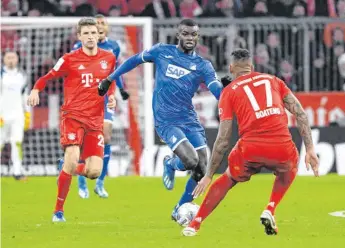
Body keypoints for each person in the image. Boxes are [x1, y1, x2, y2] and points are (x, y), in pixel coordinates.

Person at [182, 48, 319, 236]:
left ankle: (194, 224)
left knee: (229, 178)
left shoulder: (228, 92)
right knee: (290, 167)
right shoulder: (273, 81)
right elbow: (300, 113)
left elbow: (222, 139)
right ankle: (270, 208)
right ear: (252, 67)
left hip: (250, 150)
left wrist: (209, 175)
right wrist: (310, 148)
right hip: (281, 147)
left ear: (231, 68)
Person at [98, 19, 223, 223]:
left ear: (197, 36)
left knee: (202, 167)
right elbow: (134, 60)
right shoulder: (161, 51)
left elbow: (215, 88)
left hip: (189, 120)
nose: (190, 38)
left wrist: (228, 94)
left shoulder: (203, 65)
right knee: (190, 161)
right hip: (166, 119)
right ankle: (171, 164)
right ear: (178, 34)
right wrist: (109, 79)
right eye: (186, 34)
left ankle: (179, 208)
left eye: (193, 34)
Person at [27, 18, 117, 222]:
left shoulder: (109, 58)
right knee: (73, 156)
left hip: (95, 121)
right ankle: (58, 211)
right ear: (79, 37)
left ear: (98, 34)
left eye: (93, 33)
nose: (91, 37)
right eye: (86, 33)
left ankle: (66, 165)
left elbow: (109, 81)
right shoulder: (69, 59)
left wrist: (111, 96)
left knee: (94, 172)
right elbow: (46, 77)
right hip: (73, 117)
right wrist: (35, 90)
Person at [68, 14, 129, 199]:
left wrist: (121, 89)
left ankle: (100, 182)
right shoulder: (79, 47)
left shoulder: (114, 47)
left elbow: (114, 71)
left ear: (106, 28)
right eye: (97, 23)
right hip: (85, 98)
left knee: (107, 137)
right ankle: (81, 182)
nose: (100, 26)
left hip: (105, 97)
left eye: (103, 23)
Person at [0, 51, 30, 181]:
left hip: (18, 114)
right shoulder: (1, 74)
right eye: (8, 57)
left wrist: (27, 113)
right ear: (4, 59)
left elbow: (25, 95)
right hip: (2, 114)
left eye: (13, 57)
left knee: (16, 142)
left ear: (18, 59)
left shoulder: (22, 75)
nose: (11, 60)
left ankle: (17, 172)